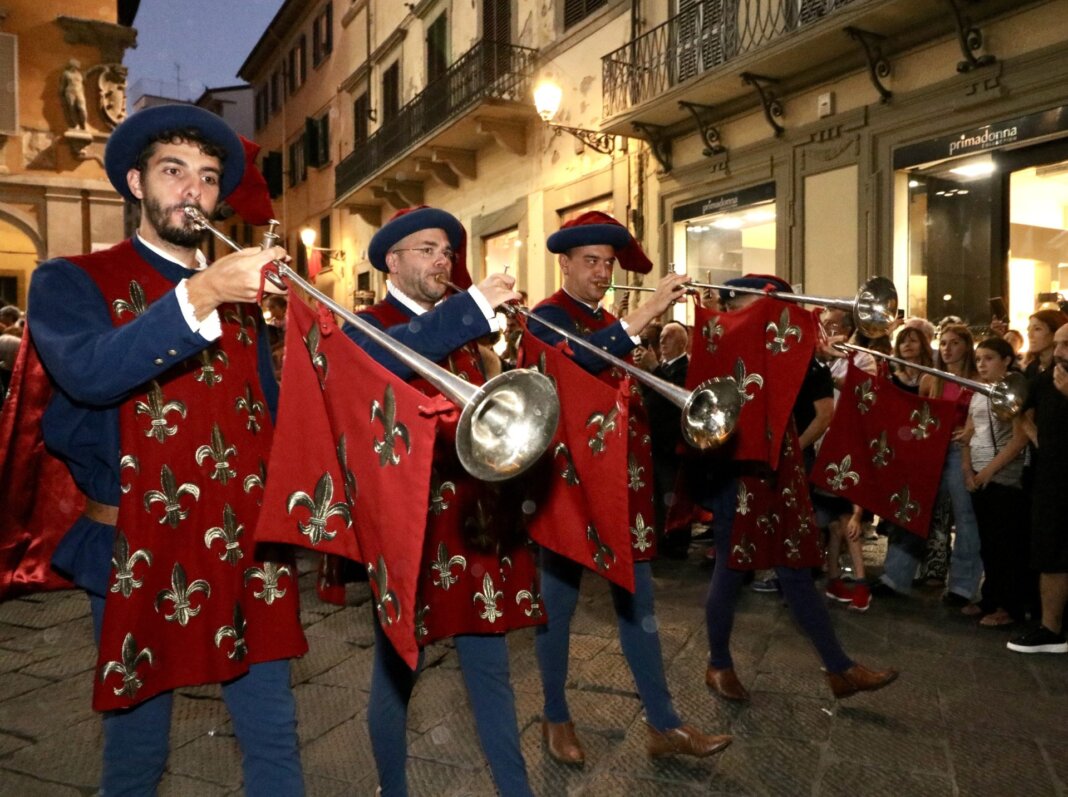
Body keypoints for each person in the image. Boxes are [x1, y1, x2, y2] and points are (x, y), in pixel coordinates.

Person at [26, 104, 307, 794]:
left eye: (209, 178)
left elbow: (269, 416)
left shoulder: (243, 299)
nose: (194, 190)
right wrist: (200, 292)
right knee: (135, 753)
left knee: (275, 738)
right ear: (135, 182)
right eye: (174, 170)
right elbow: (90, 373)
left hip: (246, 550)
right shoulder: (71, 279)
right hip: (137, 546)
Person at [344, 206, 541, 797]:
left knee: (492, 669)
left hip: (473, 520)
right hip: (408, 530)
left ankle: (516, 789)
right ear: (392, 262)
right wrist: (471, 309)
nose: (441, 260)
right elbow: (386, 355)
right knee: (396, 674)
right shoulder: (365, 324)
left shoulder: (467, 335)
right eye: (426, 249)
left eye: (448, 252)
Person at [528, 213, 731, 765]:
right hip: (565, 484)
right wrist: (645, 315)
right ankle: (555, 714)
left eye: (608, 264)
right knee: (558, 606)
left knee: (639, 600)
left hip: (620, 480)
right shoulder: (543, 317)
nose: (601, 272)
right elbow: (577, 357)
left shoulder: (599, 317)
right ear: (565, 263)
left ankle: (664, 724)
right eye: (590, 262)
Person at [699, 275, 897, 703]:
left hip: (778, 476)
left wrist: (815, 356)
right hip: (736, 475)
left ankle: (839, 669)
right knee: (732, 570)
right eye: (765, 306)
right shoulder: (722, 345)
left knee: (794, 569)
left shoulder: (800, 354)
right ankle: (718, 664)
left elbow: (828, 407)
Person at [1008, 323, 1068, 653]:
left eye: (1066, 345)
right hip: (1052, 479)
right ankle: (1051, 627)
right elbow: (1015, 403)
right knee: (1051, 552)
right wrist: (1034, 436)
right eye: (1057, 344)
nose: (1059, 352)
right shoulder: (1048, 377)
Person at [962, 337, 1030, 628]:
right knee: (988, 543)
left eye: (989, 358)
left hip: (1004, 476)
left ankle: (1009, 605)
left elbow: (1020, 438)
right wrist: (968, 471)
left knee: (1005, 544)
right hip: (979, 473)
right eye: (978, 359)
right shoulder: (978, 392)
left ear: (1006, 360)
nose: (982, 364)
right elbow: (967, 434)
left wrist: (989, 471)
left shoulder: (1014, 391)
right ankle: (990, 596)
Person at [644, 320, 692, 557]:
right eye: (661, 337)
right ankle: (661, 537)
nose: (662, 342)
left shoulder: (686, 368)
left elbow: (673, 395)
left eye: (669, 337)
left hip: (672, 441)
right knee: (658, 492)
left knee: (673, 492)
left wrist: (654, 369)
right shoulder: (662, 366)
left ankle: (677, 540)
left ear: (682, 342)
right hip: (655, 440)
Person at [60, 59, 89, 130]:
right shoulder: (66, 73)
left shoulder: (80, 74)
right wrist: (61, 93)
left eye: (76, 67)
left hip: (79, 92)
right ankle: (75, 124)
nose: (75, 68)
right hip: (70, 92)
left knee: (82, 109)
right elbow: (63, 85)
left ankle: (84, 123)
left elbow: (83, 85)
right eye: (74, 66)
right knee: (72, 109)